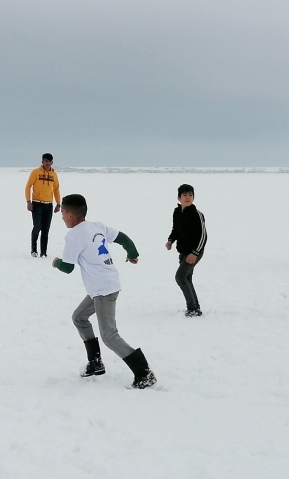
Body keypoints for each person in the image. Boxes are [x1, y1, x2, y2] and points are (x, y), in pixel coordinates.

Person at [51, 194, 156, 388]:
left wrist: (56, 262)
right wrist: (132, 253)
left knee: (109, 335)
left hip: (103, 290)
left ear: (71, 215)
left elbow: (68, 267)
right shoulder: (97, 227)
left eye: (63, 213)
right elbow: (123, 238)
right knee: (79, 318)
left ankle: (144, 373)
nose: (62, 217)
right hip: (104, 286)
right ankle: (95, 363)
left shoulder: (73, 235)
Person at [166, 184, 207, 317]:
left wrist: (195, 253)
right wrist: (171, 240)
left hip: (195, 252)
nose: (188, 197)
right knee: (187, 278)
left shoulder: (197, 214)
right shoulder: (177, 212)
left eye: (190, 195)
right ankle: (195, 306)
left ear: (193, 197)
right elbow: (176, 229)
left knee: (180, 277)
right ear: (179, 198)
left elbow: (203, 236)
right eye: (184, 195)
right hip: (183, 252)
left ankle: (193, 308)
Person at [25, 153, 61, 257]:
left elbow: (56, 189)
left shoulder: (54, 175)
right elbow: (28, 186)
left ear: (52, 162)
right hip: (37, 204)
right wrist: (28, 201)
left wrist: (58, 204)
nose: (48, 163)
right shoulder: (35, 172)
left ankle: (43, 252)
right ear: (42, 162)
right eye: (46, 161)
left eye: (49, 161)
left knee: (46, 229)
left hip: (48, 205)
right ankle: (34, 250)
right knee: (37, 227)